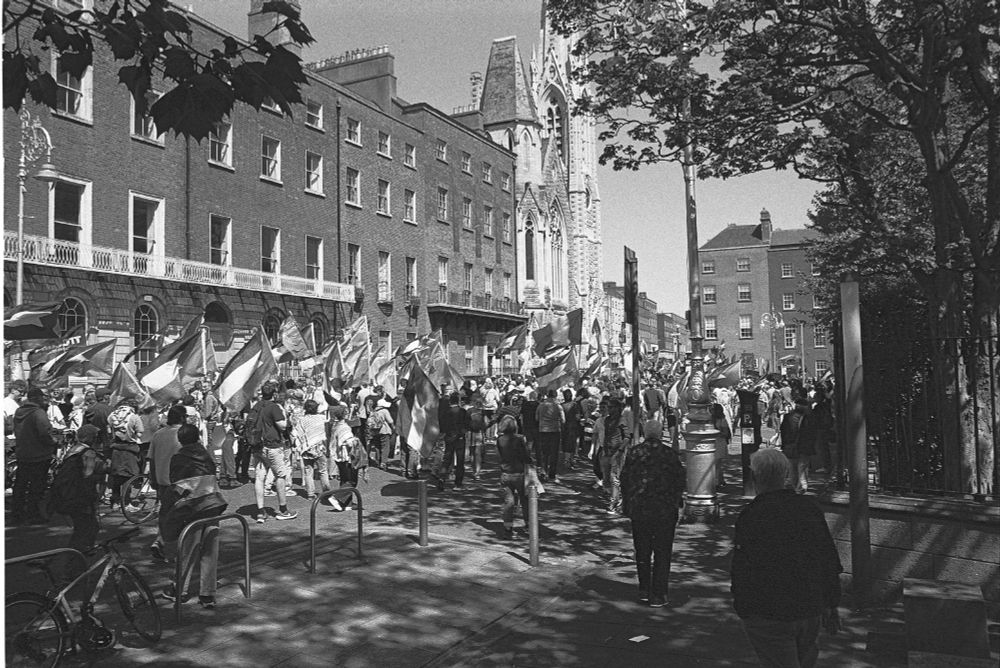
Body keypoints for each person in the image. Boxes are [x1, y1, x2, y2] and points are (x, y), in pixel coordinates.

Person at [731, 448, 842, 667]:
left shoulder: (751, 516)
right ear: (785, 474)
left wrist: (743, 606)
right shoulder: (808, 509)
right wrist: (831, 602)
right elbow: (827, 557)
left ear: (755, 478)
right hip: (808, 606)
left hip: (769, 611)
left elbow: (743, 567)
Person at [620, 420, 686, 607]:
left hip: (640, 508)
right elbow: (680, 479)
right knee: (662, 552)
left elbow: (625, 478)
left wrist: (627, 502)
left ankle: (644, 589)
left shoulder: (634, 452)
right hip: (664, 509)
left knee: (642, 550)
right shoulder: (669, 454)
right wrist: (677, 500)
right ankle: (659, 594)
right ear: (659, 434)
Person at [161, 424, 228, 609]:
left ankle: (180, 590)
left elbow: (178, 486)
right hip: (213, 504)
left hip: (193, 508)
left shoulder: (179, 458)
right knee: (210, 551)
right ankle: (207, 594)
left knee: (188, 550)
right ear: (197, 437)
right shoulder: (206, 455)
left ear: (180, 440)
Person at [12, 387, 59, 524]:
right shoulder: (38, 413)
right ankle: (33, 514)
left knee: (20, 485)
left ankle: (17, 513)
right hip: (39, 455)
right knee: (36, 486)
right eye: (42, 397)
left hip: (23, 453)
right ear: (37, 398)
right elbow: (44, 433)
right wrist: (53, 441)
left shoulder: (19, 411)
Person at [251, 383, 297, 523]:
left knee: (259, 478)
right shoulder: (274, 407)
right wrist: (288, 418)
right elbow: (282, 426)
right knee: (280, 475)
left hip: (258, 445)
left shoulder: (257, 406)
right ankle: (283, 510)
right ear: (274, 394)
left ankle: (260, 512)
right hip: (272, 446)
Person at [148, 405, 187, 561]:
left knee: (165, 513)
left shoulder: (158, 434)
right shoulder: (185, 435)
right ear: (183, 418)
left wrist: (152, 477)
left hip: (162, 480)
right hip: (180, 482)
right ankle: (174, 549)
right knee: (180, 516)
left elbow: (151, 458)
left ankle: (160, 541)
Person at [495, 415, 532, 539]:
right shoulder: (520, 439)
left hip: (505, 473)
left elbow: (499, 455)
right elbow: (526, 456)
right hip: (519, 473)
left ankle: (508, 528)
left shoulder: (500, 439)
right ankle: (528, 525)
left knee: (509, 502)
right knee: (525, 501)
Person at [108, 399, 143, 507]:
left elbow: (109, 431)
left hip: (116, 449)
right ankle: (126, 502)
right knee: (129, 476)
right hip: (130, 449)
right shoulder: (134, 417)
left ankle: (115, 502)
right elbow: (140, 433)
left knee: (116, 475)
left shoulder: (112, 415)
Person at [780, 394, 817, 494]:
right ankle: (801, 487)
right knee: (802, 466)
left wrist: (784, 445)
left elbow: (783, 431)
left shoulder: (788, 417)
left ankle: (795, 485)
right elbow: (813, 433)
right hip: (804, 446)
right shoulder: (810, 418)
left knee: (793, 466)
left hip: (790, 445)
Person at [293, 399, 330, 499]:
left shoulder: (302, 420)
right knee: (323, 471)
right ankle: (326, 492)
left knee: (308, 472)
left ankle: (310, 493)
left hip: (307, 448)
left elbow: (298, 434)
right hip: (319, 447)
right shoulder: (321, 418)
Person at [436, 392, 470, 491]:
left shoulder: (446, 412)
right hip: (459, 438)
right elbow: (467, 425)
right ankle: (458, 484)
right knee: (460, 462)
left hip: (449, 437)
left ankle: (442, 478)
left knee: (447, 460)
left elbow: (442, 426)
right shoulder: (462, 411)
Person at [535, 389, 564, 482]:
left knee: (544, 452)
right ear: (555, 396)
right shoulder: (558, 406)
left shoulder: (540, 405)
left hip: (543, 430)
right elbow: (563, 420)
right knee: (554, 453)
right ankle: (552, 475)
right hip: (554, 430)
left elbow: (536, 418)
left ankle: (543, 472)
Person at [465, 396, 488, 480]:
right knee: (477, 453)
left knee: (472, 453)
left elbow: (466, 423)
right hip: (479, 433)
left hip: (470, 433)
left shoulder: (469, 411)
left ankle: (474, 470)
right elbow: (486, 423)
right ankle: (477, 473)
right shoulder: (482, 411)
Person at [481, 378, 501, 443]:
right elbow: (498, 400)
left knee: (486, 423)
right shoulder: (494, 391)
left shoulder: (482, 391)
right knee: (493, 423)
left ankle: (487, 437)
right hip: (493, 408)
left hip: (485, 409)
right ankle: (492, 437)